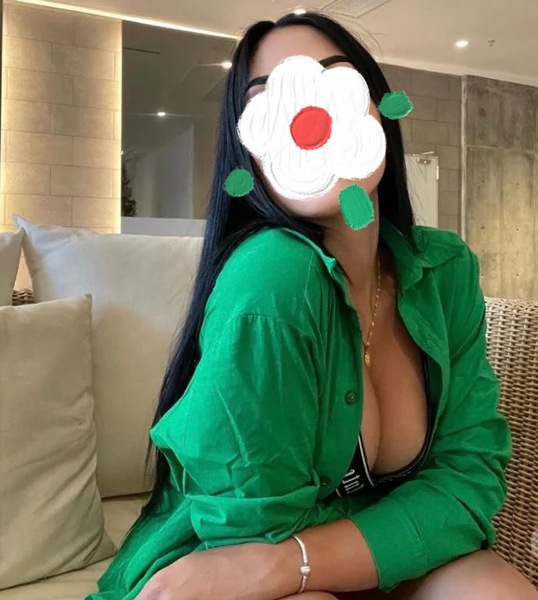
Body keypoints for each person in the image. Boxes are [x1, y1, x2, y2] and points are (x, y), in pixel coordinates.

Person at [86, 11, 538, 600]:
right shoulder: (273, 272)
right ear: (248, 155)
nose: (310, 118)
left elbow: (470, 479)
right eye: (269, 100)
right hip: (216, 572)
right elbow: (250, 540)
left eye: (334, 79)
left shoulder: (444, 269)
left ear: (380, 109)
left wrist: (296, 562)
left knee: (493, 588)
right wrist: (334, 553)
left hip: (332, 561)